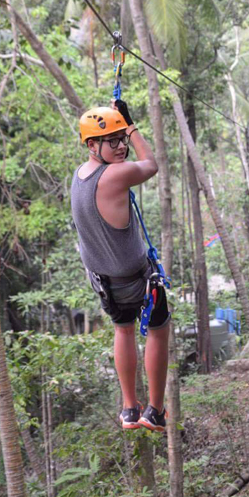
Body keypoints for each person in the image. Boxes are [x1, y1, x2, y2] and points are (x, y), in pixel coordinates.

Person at [70, 99, 170, 433]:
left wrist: (120, 127)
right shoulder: (116, 175)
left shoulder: (80, 176)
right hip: (134, 277)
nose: (121, 146)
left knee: (123, 330)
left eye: (121, 138)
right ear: (91, 145)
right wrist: (131, 125)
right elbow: (152, 164)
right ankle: (154, 410)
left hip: (103, 281)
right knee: (158, 331)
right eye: (111, 140)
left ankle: (129, 408)